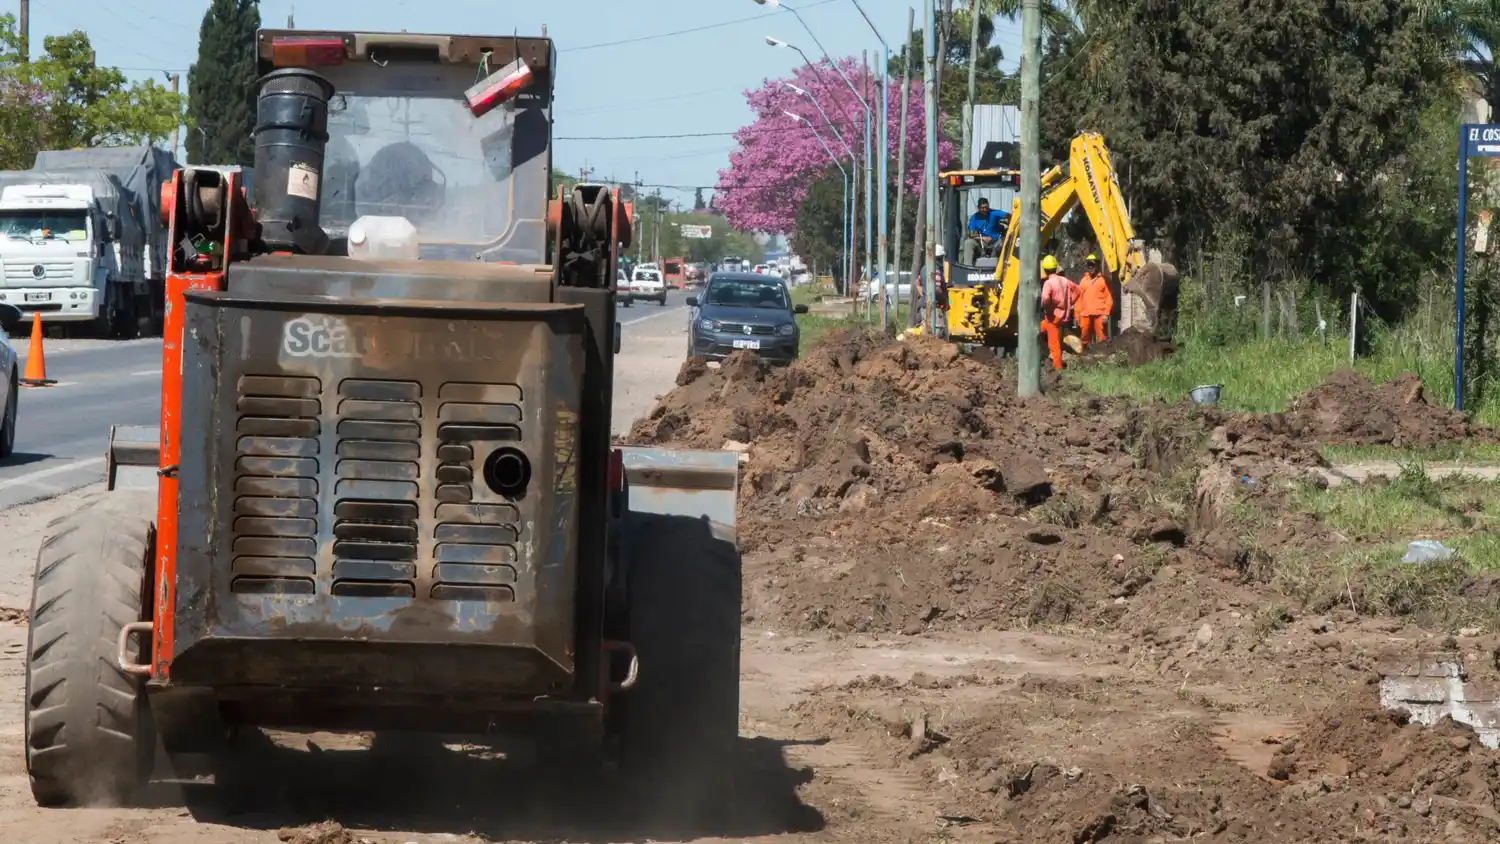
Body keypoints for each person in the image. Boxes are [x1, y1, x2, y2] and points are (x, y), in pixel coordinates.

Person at [1039, 254, 1077, 371]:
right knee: (1040, 328)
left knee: (1054, 346)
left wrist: (1047, 306)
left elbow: (1045, 299)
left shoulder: (1048, 283)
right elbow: (1078, 290)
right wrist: (1070, 302)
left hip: (1053, 317)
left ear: (1045, 270)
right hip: (1062, 316)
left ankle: (1058, 370)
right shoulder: (1065, 280)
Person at [1075, 253, 1114, 349]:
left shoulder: (1103, 280)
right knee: (1084, 335)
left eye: (1093, 265)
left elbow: (1109, 298)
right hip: (1085, 314)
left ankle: (1103, 354)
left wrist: (1106, 314)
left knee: (1101, 336)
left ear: (1097, 265)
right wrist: (1076, 315)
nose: (1091, 267)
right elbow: (1078, 299)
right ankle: (1084, 355)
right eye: (1089, 265)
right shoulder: (1083, 281)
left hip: (1099, 313)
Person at [963, 198, 1005, 263]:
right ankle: (968, 267)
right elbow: (972, 235)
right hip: (982, 243)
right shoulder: (974, 217)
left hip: (996, 241)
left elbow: (1008, 215)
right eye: (982, 208)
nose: (985, 210)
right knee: (968, 242)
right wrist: (983, 238)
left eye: (986, 207)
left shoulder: (994, 213)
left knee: (1005, 242)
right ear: (978, 207)